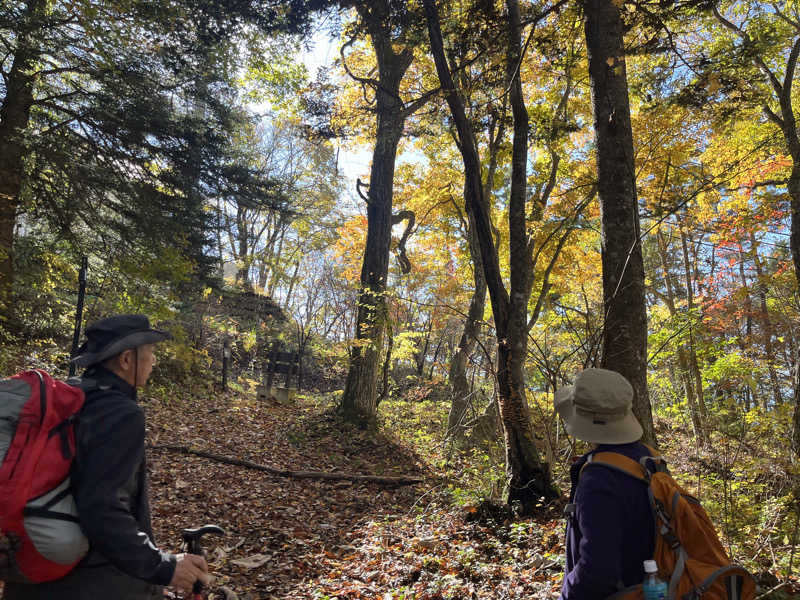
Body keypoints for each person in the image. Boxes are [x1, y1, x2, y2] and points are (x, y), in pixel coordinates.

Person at [4, 314, 209, 600]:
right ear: (126, 359)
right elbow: (102, 507)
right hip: (93, 581)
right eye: (150, 354)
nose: (154, 362)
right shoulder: (121, 413)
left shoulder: (72, 397)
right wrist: (163, 567)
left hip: (33, 570)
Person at [555, 368, 655, 600]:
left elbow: (598, 572)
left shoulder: (598, 479)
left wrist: (567, 595)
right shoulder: (648, 459)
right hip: (652, 588)